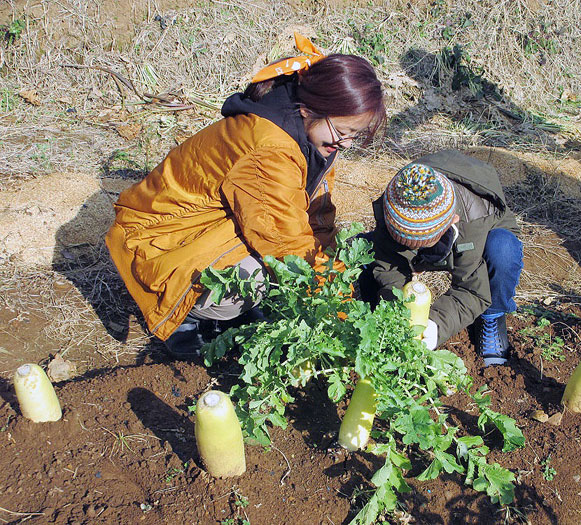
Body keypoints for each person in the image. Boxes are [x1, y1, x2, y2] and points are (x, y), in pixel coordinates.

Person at [106, 33, 386, 359]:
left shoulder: (313, 138)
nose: (347, 143)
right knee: (251, 280)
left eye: (355, 135)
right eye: (343, 132)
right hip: (159, 239)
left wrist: (332, 274)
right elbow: (285, 242)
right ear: (312, 107)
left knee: (278, 267)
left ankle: (226, 307)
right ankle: (186, 316)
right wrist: (337, 307)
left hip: (206, 226)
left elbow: (315, 214)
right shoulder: (271, 148)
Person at [359, 150, 523, 366]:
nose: (411, 248)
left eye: (420, 244)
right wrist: (400, 310)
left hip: (479, 230)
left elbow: (471, 289)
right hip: (431, 228)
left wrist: (435, 325)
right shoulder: (397, 202)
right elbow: (389, 266)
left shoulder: (473, 220)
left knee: (502, 250)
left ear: (451, 222)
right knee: (362, 249)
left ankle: (492, 317)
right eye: (406, 244)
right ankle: (376, 313)